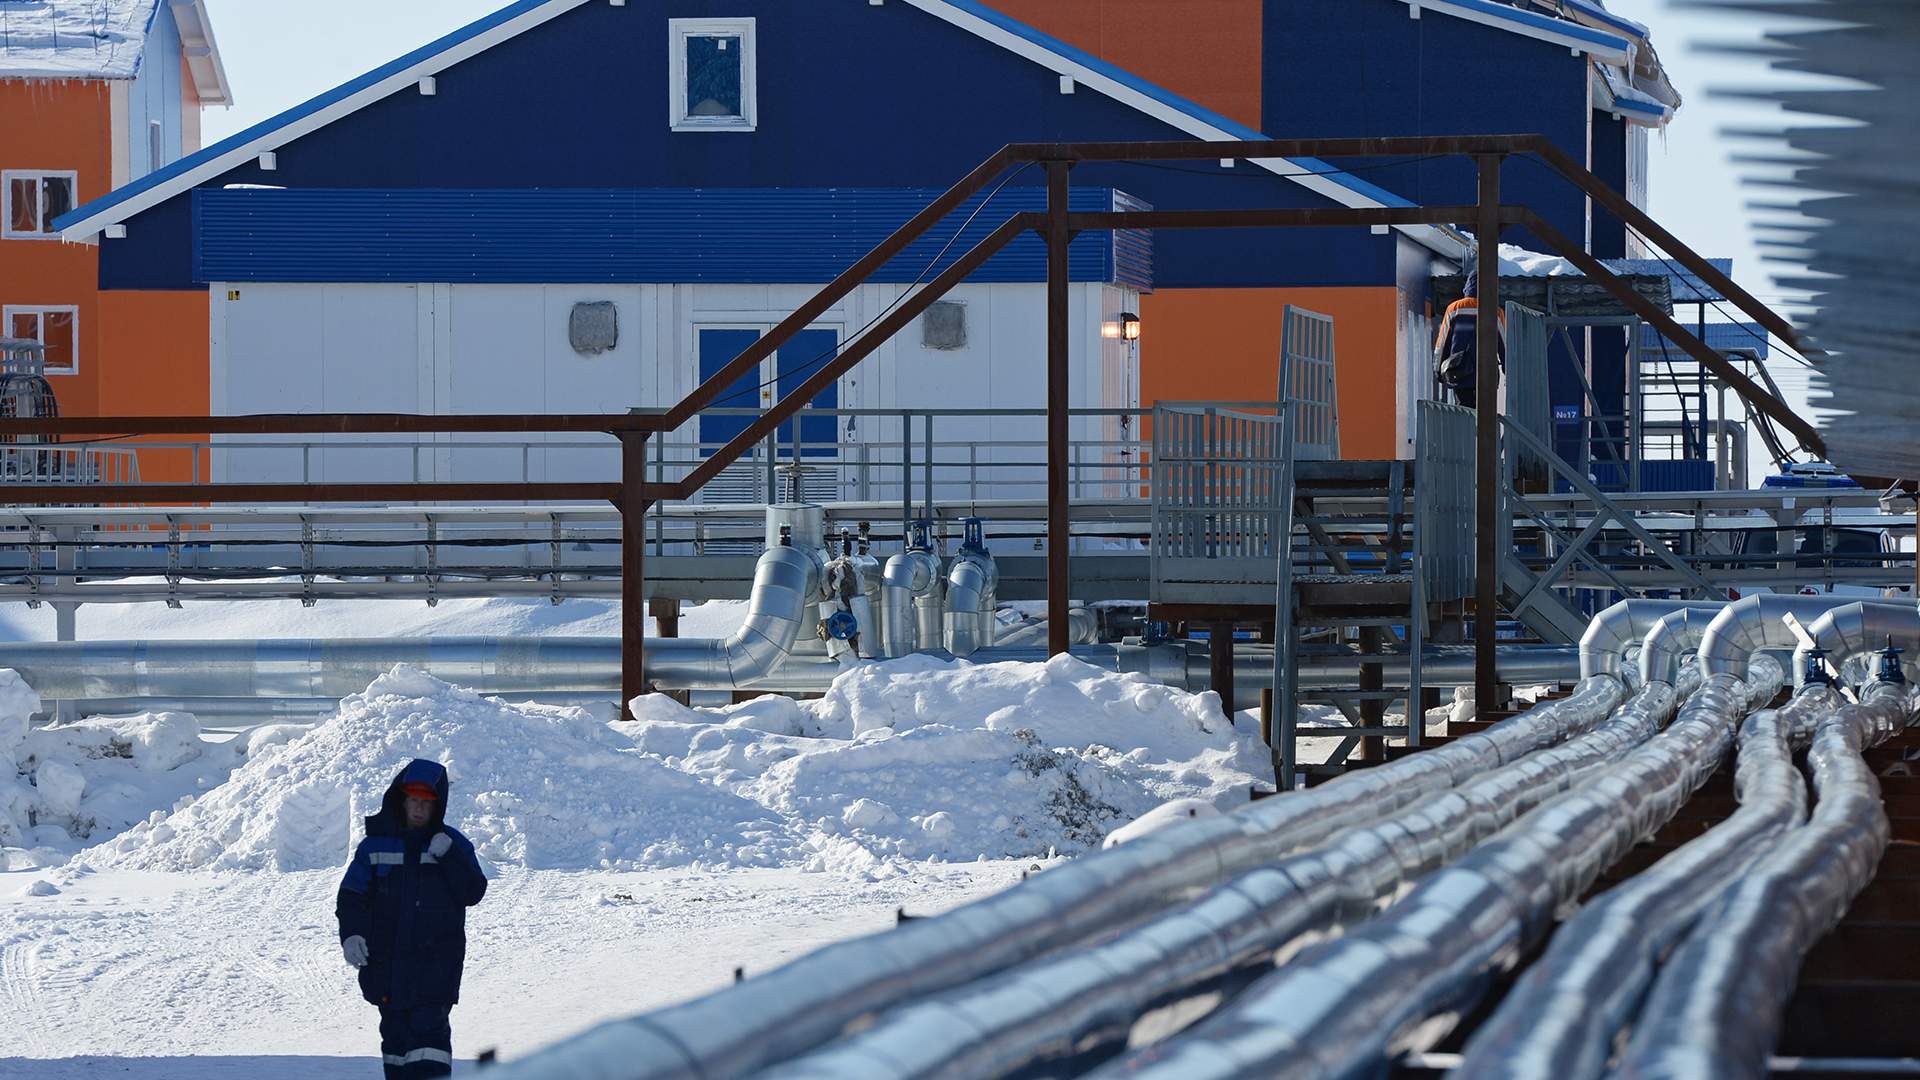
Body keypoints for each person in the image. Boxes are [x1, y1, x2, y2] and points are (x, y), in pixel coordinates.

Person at [337, 759, 488, 1079]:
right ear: (401, 801)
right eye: (413, 801)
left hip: (434, 971)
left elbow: (472, 892)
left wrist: (449, 857)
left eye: (426, 803)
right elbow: (351, 897)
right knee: (395, 1046)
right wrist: (352, 934)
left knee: (428, 1046)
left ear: (437, 806)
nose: (419, 809)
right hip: (386, 969)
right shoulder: (374, 847)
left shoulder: (453, 844)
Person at [1433, 261, 1506, 408]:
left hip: (1459, 371)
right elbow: (1504, 345)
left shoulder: (1454, 309)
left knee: (1464, 414)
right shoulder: (1496, 311)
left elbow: (1442, 343)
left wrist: (1438, 369)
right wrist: (1507, 369)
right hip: (1488, 375)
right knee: (1487, 415)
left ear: (1468, 286)